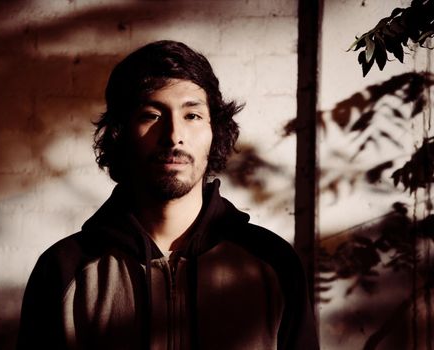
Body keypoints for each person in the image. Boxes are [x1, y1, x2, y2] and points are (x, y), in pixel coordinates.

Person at [17, 40, 319, 350]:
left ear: (215, 131)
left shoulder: (273, 262)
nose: (174, 136)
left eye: (192, 116)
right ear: (121, 133)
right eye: (152, 115)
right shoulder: (64, 270)